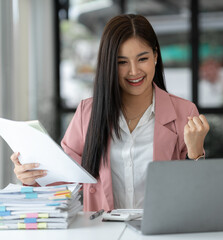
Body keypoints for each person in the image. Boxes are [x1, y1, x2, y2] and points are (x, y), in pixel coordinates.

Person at [10, 14, 210, 211]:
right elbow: (63, 181)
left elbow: (198, 194)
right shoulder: (87, 114)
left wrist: (195, 153)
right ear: (109, 64)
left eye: (142, 59)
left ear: (155, 56)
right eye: (122, 62)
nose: (134, 71)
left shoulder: (184, 112)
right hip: (104, 231)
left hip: (162, 230)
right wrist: (32, 177)